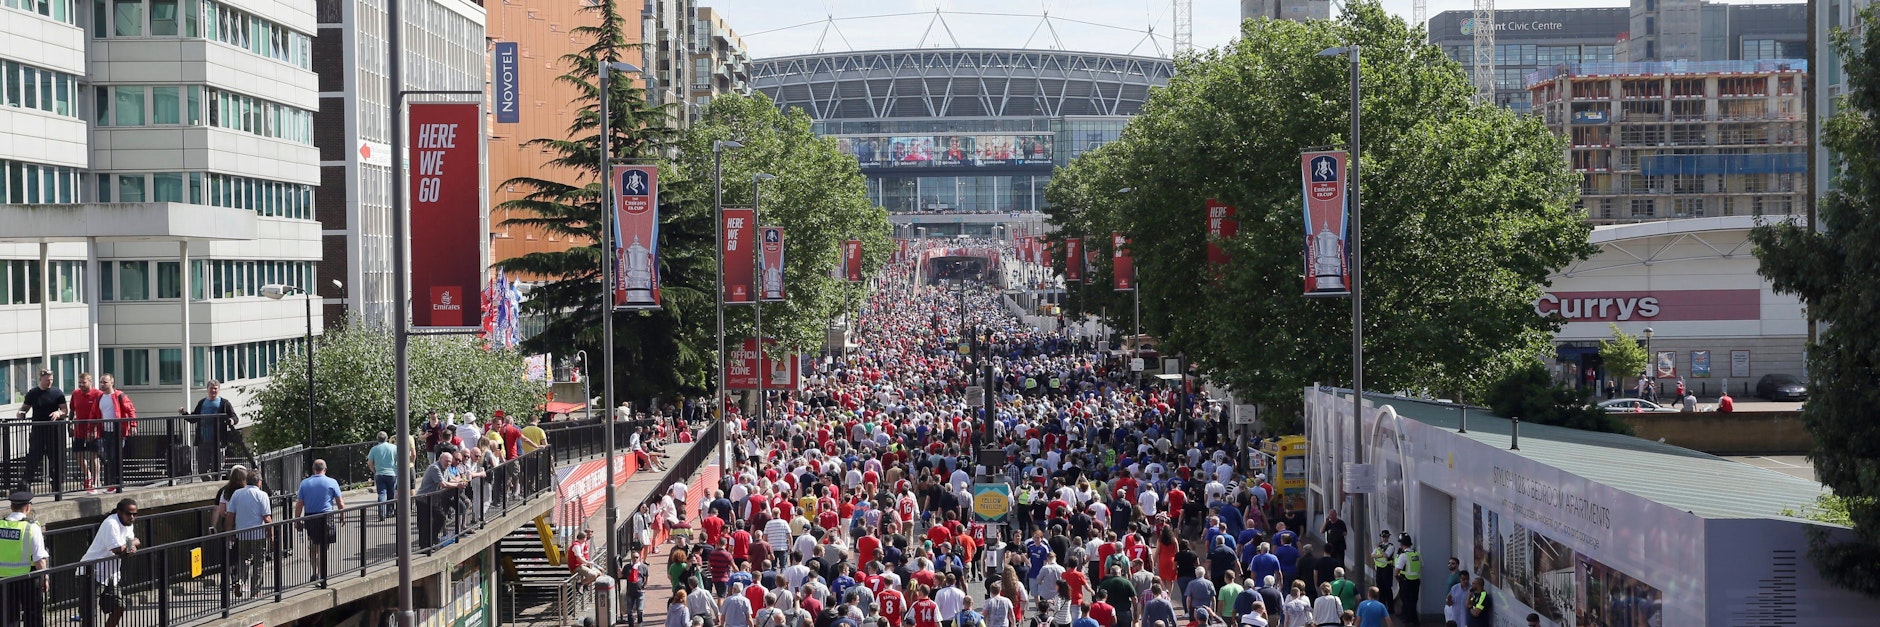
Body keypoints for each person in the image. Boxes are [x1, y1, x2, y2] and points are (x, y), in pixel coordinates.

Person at [80, 499, 140, 627]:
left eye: (134, 514)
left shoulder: (129, 524)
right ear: (119, 512)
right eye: (129, 514)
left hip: (111, 575)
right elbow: (117, 549)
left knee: (120, 606)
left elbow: (127, 546)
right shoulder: (111, 524)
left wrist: (130, 545)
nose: (132, 517)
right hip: (92, 572)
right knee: (90, 613)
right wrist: (134, 542)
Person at [1, 487, 48, 627]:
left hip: (4, 580)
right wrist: (44, 579)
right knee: (33, 616)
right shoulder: (31, 527)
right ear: (28, 507)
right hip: (28, 579)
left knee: (8, 618)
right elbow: (39, 559)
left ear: (11, 507)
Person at [295, 458, 345, 585]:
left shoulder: (305, 483)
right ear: (325, 469)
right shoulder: (332, 482)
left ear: (313, 469)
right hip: (326, 517)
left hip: (310, 518)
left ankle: (315, 573)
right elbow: (340, 502)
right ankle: (322, 575)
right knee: (323, 548)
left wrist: (297, 520)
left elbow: (299, 504)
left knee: (313, 547)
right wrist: (342, 515)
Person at [15, 370, 65, 493]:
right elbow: (25, 407)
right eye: (47, 380)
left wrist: (58, 413)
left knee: (55, 458)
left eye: (51, 379)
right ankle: (25, 485)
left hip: (53, 431)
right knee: (33, 457)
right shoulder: (33, 393)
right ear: (41, 379)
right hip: (38, 430)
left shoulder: (57, 393)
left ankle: (57, 486)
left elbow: (65, 410)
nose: (50, 382)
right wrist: (21, 413)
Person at [227, 471, 273, 597]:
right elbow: (267, 518)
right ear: (259, 482)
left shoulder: (237, 494)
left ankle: (240, 581)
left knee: (243, 559)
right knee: (258, 562)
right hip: (258, 535)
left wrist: (229, 532)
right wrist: (271, 535)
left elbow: (230, 515)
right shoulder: (262, 495)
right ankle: (255, 591)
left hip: (242, 534)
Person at [182, 379, 236, 480]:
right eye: (211, 388)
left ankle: (216, 485)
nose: (213, 391)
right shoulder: (202, 403)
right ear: (207, 389)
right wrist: (184, 413)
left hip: (218, 442)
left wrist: (231, 421)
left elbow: (234, 417)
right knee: (202, 469)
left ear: (219, 390)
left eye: (215, 389)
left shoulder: (224, 403)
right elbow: (194, 418)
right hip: (203, 441)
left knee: (217, 469)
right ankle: (209, 483)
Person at [94, 374, 138, 492]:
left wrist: (133, 425)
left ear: (112, 383)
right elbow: (94, 414)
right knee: (108, 458)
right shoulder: (99, 397)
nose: (102, 385)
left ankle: (116, 483)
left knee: (115, 457)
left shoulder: (119, 395)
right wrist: (92, 429)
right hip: (105, 431)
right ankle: (113, 483)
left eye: (105, 382)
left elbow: (130, 410)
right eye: (101, 382)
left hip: (118, 431)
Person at [67, 373, 102, 494]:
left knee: (93, 456)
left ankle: (95, 482)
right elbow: (72, 410)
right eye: (80, 383)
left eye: (84, 382)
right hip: (79, 429)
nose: (81, 385)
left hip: (93, 429)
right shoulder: (76, 393)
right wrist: (70, 424)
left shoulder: (98, 394)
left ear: (90, 382)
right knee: (78, 455)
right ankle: (88, 475)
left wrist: (96, 428)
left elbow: (100, 412)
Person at [367, 431, 400, 520]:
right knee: (391, 493)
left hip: (380, 474)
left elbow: (370, 463)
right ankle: (390, 512)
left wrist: (375, 471)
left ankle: (382, 513)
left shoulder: (374, 449)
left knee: (381, 494)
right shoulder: (394, 447)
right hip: (392, 473)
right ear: (387, 438)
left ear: (377, 439)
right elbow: (399, 460)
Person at [1393, 535, 1420, 626]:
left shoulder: (1403, 555)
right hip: (1416, 581)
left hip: (1406, 581)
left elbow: (1397, 570)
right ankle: (1412, 619)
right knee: (1413, 601)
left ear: (1402, 544)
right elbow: (1421, 565)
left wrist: (1396, 577)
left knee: (1407, 601)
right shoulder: (1417, 554)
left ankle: (1411, 620)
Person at [1369, 532, 1395, 611]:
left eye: (1386, 537)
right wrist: (1381, 555)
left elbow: (1387, 555)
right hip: (1379, 569)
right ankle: (1381, 606)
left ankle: (1391, 608)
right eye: (1383, 537)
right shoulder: (1379, 545)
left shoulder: (1391, 546)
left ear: (1388, 537)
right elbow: (1372, 555)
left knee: (1387, 588)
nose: (1384, 539)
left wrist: (1380, 550)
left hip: (1387, 568)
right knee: (1380, 587)